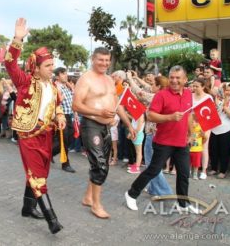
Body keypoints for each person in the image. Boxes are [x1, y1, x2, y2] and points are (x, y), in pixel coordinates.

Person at [4, 18, 66, 234]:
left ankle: (27, 208)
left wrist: (60, 116)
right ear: (37, 68)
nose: (52, 69)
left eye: (52, 65)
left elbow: (58, 106)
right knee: (38, 176)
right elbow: (9, 64)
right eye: (48, 66)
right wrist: (18, 39)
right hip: (29, 135)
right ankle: (53, 220)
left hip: (46, 136)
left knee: (39, 173)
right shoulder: (25, 82)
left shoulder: (54, 86)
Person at [125, 65, 201, 214]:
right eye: (172, 77)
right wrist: (169, 117)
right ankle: (131, 194)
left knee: (184, 174)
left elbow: (189, 115)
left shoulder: (187, 94)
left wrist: (191, 134)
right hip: (164, 141)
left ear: (185, 80)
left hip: (182, 142)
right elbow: (151, 116)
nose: (174, 80)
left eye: (178, 78)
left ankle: (183, 204)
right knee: (153, 170)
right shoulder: (161, 95)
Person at [72, 47, 136, 219]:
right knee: (100, 165)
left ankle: (88, 197)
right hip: (91, 125)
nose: (104, 63)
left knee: (100, 164)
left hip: (107, 127)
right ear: (93, 59)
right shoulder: (86, 79)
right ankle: (96, 204)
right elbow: (76, 105)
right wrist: (98, 112)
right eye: (101, 60)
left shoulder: (109, 79)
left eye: (107, 60)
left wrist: (129, 124)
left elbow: (117, 104)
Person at [209, 83, 230, 179]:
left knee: (224, 151)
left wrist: (225, 106)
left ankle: (223, 171)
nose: (228, 92)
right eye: (226, 90)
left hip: (226, 130)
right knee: (213, 150)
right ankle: (214, 168)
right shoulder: (216, 99)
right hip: (214, 129)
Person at [52, 67, 76, 173]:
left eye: (66, 73)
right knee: (64, 140)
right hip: (61, 116)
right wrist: (58, 99)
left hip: (69, 116)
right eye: (63, 74)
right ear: (57, 76)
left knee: (70, 138)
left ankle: (48, 154)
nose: (66, 75)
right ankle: (65, 164)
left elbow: (72, 99)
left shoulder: (66, 86)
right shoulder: (55, 87)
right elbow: (55, 102)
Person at [191, 78, 213, 180]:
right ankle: (191, 169)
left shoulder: (208, 97)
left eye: (197, 86)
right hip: (192, 125)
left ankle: (203, 170)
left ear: (203, 86)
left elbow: (210, 113)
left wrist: (204, 127)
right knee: (191, 146)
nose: (194, 88)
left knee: (204, 146)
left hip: (205, 124)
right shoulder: (191, 96)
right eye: (193, 86)